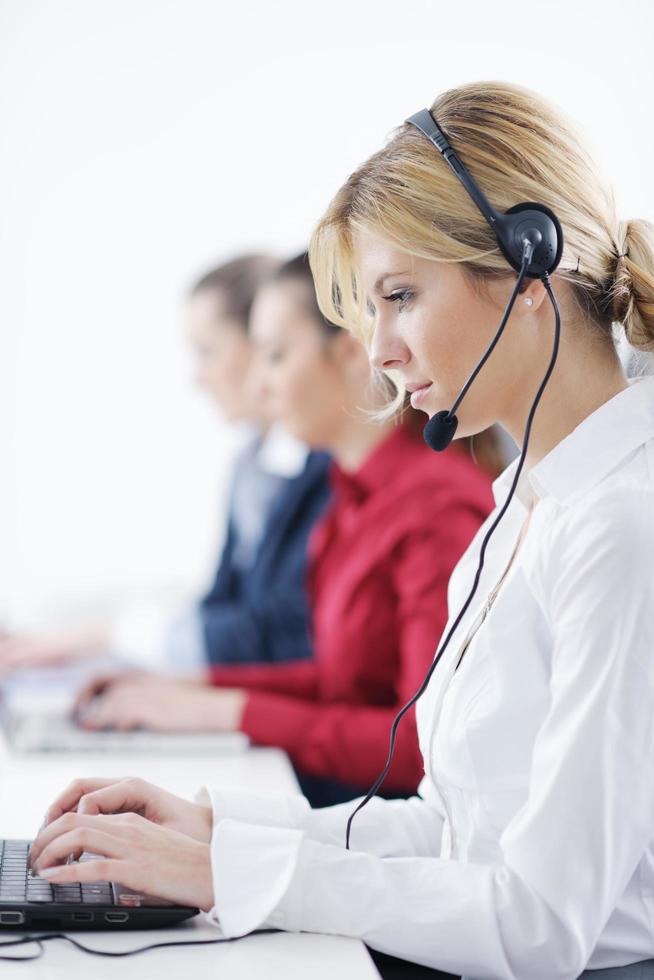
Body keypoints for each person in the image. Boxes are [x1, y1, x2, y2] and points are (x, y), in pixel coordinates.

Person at [27, 80, 654, 978]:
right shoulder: (525, 502)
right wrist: (213, 829)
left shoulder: (622, 529)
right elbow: (451, 827)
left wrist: (230, 872)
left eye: (400, 295)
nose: (379, 353)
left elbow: (541, 926)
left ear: (527, 267)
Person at [70, 252, 494, 805]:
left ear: (347, 352)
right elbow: (341, 682)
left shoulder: (433, 505)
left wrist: (220, 709)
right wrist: (188, 692)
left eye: (273, 356)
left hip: (388, 834)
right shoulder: (349, 499)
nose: (258, 385)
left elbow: (419, 749)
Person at [0, 255, 332, 675]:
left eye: (207, 351)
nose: (198, 376)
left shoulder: (331, 468)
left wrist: (103, 637)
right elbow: (221, 607)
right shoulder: (251, 463)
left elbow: (275, 634)